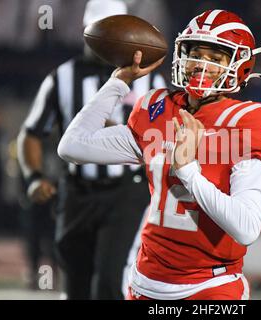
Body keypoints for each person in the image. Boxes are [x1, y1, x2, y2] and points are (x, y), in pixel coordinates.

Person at [58, 9, 261, 300]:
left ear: (239, 65)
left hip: (210, 286)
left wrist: (188, 171)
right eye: (195, 54)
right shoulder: (157, 108)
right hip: (146, 283)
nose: (201, 65)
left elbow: (247, 228)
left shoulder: (248, 121)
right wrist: (118, 81)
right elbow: (73, 145)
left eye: (215, 59)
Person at [17, 0, 165, 299]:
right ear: (89, 32)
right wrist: (34, 176)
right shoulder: (61, 77)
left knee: (111, 280)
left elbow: (164, 132)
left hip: (127, 191)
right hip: (77, 192)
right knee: (76, 284)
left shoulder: (151, 77)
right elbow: (31, 134)